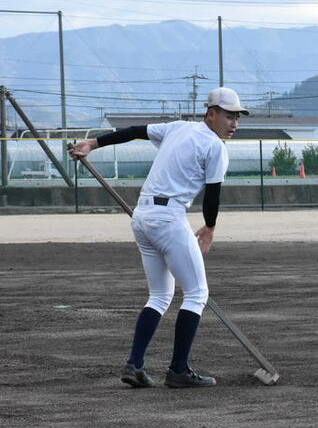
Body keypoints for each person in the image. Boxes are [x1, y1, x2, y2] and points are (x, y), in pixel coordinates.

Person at [68, 87, 248, 388]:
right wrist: (210, 227)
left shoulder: (178, 128)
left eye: (237, 118)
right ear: (211, 113)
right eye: (229, 116)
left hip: (143, 217)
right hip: (168, 219)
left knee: (161, 296)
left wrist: (93, 143)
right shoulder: (215, 147)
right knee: (196, 293)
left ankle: (135, 365)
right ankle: (178, 370)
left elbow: (136, 132)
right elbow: (213, 194)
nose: (233, 124)